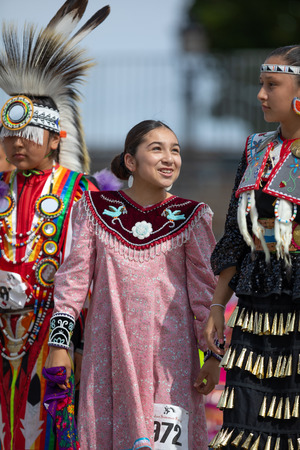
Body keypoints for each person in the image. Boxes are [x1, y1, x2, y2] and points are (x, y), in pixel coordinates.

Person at [45, 119, 220, 450]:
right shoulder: (94, 210)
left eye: (175, 150)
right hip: (109, 359)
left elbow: (205, 295)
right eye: (157, 149)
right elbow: (72, 284)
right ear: (130, 161)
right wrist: (59, 345)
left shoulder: (191, 216)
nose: (169, 158)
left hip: (171, 365)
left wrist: (213, 356)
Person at [0, 2, 110, 449]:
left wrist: (78, 345)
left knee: (51, 432)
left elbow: (94, 278)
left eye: (28, 136)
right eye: (8, 134)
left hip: (54, 338)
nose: (16, 144)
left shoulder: (82, 193)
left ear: (55, 138)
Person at [205, 45, 300, 449]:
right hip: (254, 307)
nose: (261, 95)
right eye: (262, 84)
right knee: (244, 425)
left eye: (271, 85)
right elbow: (235, 235)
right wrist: (215, 308)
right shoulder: (254, 148)